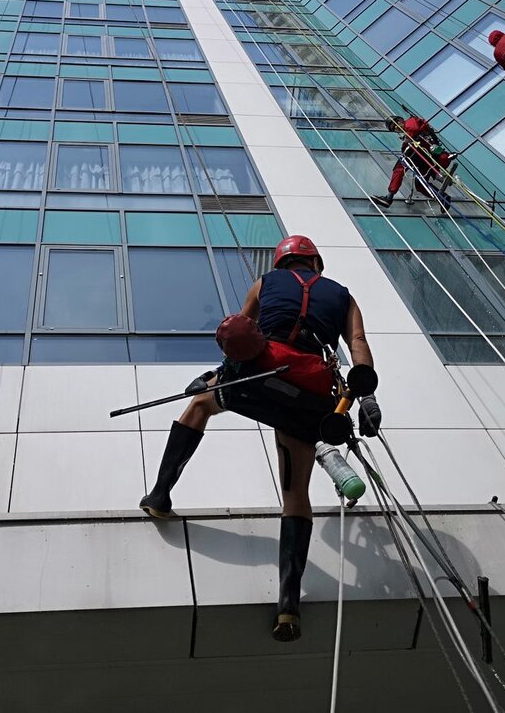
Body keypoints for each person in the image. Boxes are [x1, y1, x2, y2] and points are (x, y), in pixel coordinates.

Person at [139, 235, 381, 642]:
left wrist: (216, 376)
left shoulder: (264, 283)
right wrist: (367, 398)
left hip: (258, 378)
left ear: (281, 262)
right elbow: (357, 344)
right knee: (296, 494)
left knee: (198, 406)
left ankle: (160, 495)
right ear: (315, 263)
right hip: (309, 397)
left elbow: (240, 332)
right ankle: (288, 606)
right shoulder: (343, 297)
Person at [372, 116, 454, 208]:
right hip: (425, 160)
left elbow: (414, 129)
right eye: (393, 129)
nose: (395, 128)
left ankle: (389, 197)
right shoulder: (408, 133)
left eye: (394, 125)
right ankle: (443, 197)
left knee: (400, 166)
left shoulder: (410, 122)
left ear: (400, 120)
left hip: (428, 155)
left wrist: (407, 141)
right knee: (419, 185)